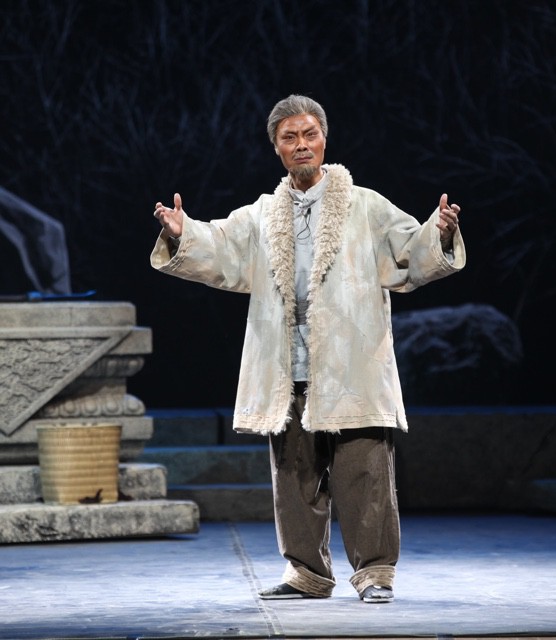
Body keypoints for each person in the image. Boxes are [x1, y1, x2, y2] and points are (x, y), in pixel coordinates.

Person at [151, 94, 466, 603]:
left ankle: (375, 572)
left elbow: (410, 251)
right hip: (288, 366)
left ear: (324, 139)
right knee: (294, 477)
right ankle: (306, 574)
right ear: (276, 148)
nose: (301, 145)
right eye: (289, 137)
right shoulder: (263, 214)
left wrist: (440, 232)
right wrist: (182, 231)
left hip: (351, 364)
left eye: (309, 134)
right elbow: (221, 248)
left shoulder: (365, 206)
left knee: (365, 472)